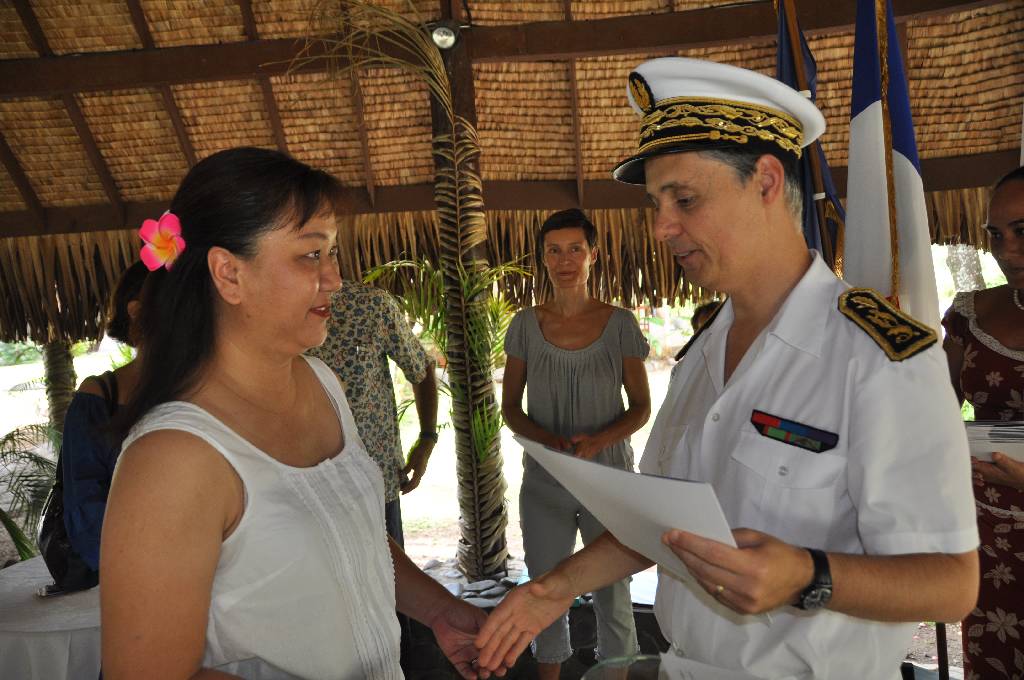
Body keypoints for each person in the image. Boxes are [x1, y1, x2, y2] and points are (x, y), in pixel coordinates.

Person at [476, 57, 980, 679]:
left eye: (684, 199)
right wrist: (552, 589)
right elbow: (660, 526)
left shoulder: (878, 356)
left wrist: (810, 576)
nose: (663, 227)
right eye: (656, 203)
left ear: (767, 181)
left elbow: (952, 584)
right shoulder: (704, 350)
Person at [100, 147, 494, 680]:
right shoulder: (173, 460)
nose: (333, 278)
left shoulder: (322, 383)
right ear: (229, 274)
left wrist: (440, 610)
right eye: (311, 255)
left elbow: (350, 532)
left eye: (332, 253)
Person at [502, 208, 651, 678]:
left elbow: (641, 407)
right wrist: (552, 444)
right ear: (542, 258)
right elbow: (510, 408)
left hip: (608, 480)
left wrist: (596, 443)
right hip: (545, 481)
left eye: (575, 249)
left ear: (593, 254)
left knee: (613, 593)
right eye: (554, 250)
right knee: (546, 589)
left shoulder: (619, 323)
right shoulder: (525, 325)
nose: (565, 260)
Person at [941, 165, 1024, 677]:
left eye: (1023, 231)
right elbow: (933, 413)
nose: (1006, 249)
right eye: (996, 234)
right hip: (988, 534)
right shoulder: (970, 315)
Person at [306, 279, 438, 546]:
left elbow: (422, 370)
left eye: (327, 252)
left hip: (373, 479)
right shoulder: (265, 315)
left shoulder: (371, 305)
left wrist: (426, 439)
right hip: (305, 485)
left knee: (388, 580)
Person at [60, 260, 147, 572]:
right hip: (140, 579)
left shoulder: (214, 389)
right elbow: (85, 513)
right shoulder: (98, 399)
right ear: (137, 312)